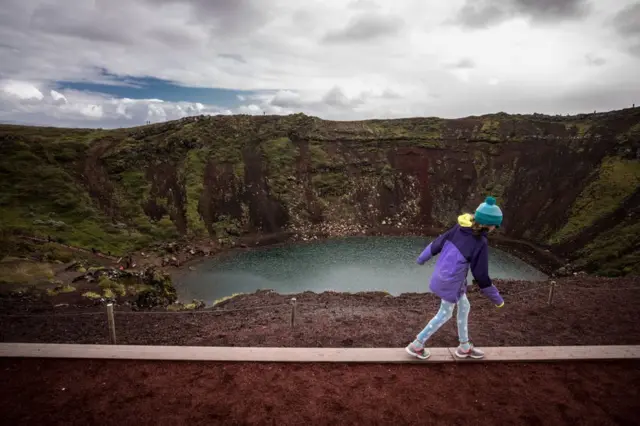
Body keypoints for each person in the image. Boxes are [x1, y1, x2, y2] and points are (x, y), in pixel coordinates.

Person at [405, 196, 505, 360]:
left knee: (464, 306)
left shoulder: (459, 228)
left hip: (443, 275)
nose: (495, 228)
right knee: (445, 314)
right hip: (451, 282)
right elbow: (480, 275)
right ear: (489, 224)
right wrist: (496, 298)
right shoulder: (479, 242)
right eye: (495, 225)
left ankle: (464, 347)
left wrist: (422, 258)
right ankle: (417, 345)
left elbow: (438, 243)